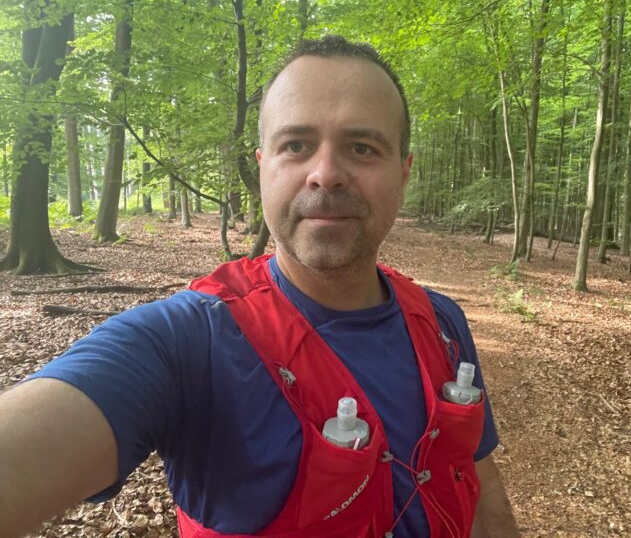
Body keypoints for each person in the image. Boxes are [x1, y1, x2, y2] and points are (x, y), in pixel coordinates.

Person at [0, 35, 519, 538]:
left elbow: (477, 480)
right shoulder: (189, 341)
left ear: (403, 173)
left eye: (362, 147)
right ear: (263, 167)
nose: (325, 173)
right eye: (296, 145)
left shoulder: (442, 323)